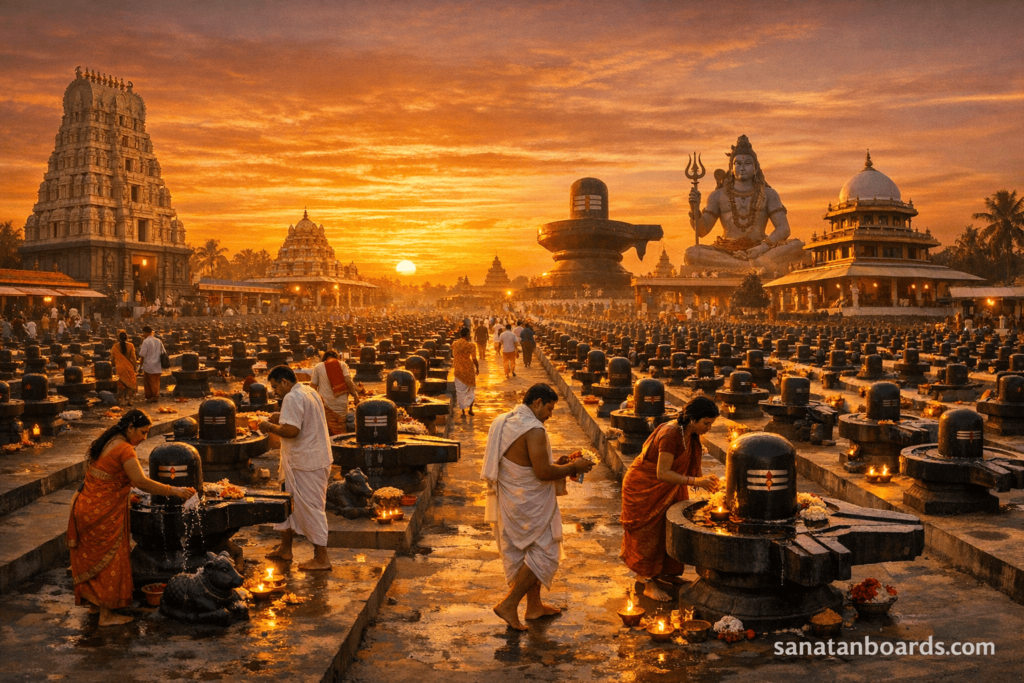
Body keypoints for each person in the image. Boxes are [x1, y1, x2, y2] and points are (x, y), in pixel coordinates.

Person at [482, 383, 594, 630]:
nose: (550, 415)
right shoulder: (533, 429)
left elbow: (528, 462)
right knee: (545, 552)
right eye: (549, 409)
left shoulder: (505, 420)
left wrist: (562, 462)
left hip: (515, 499)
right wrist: (574, 468)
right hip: (528, 501)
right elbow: (543, 472)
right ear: (537, 403)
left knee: (528, 552)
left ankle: (534, 607)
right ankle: (509, 604)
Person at [67, 410, 195, 626]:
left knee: (96, 558)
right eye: (143, 432)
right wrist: (175, 491)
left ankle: (95, 605)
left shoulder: (109, 440)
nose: (144, 438)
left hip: (86, 507)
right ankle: (107, 617)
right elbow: (141, 481)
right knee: (111, 558)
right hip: (101, 513)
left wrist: (127, 495)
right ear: (130, 428)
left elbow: (111, 479)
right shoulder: (124, 449)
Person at [620, 396, 720, 601]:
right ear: (692, 419)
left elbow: (694, 468)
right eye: (706, 423)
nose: (708, 428)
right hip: (645, 487)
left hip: (670, 488)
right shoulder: (670, 434)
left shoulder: (690, 434)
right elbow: (662, 473)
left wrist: (712, 488)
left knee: (667, 530)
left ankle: (664, 574)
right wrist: (696, 482)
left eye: (711, 424)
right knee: (648, 534)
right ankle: (646, 581)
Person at [259, 365, 333, 571]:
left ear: (285, 382)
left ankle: (322, 558)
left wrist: (269, 427)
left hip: (306, 462)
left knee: (311, 508)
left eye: (276, 387)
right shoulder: (309, 391)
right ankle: (285, 548)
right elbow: (302, 418)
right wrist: (279, 417)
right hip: (305, 459)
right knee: (287, 504)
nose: (275, 392)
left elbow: (291, 430)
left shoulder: (292, 397)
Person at [309, 349, 359, 435]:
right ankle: (341, 442)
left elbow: (313, 387)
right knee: (341, 426)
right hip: (341, 404)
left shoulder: (318, 367)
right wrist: (355, 395)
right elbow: (348, 381)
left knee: (328, 429)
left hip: (326, 404)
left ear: (324, 358)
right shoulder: (342, 365)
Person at [451, 327, 479, 417]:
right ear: (467, 334)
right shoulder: (471, 346)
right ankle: (470, 409)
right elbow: (474, 359)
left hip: (458, 371)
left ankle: (463, 411)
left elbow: (454, 356)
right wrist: (477, 368)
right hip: (468, 371)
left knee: (460, 392)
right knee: (470, 391)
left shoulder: (455, 344)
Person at [137, 326, 166, 403]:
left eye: (143, 333)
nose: (143, 335)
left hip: (149, 365)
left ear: (146, 333)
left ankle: (153, 397)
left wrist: (140, 365)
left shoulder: (146, 341)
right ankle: (153, 396)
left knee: (149, 382)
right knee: (156, 381)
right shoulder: (158, 341)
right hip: (157, 364)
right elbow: (163, 352)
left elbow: (142, 355)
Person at [111, 331, 138, 406]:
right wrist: (135, 367)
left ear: (118, 338)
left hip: (119, 367)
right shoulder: (131, 345)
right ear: (127, 338)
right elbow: (133, 357)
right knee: (130, 383)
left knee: (121, 383)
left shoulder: (115, 346)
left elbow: (112, 357)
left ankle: (122, 400)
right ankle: (130, 399)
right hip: (129, 366)